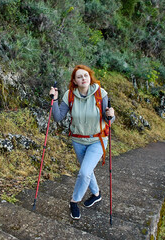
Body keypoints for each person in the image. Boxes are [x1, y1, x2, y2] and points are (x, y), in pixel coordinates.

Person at [49, 65, 115, 220]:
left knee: (84, 172)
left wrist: (111, 115)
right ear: (74, 81)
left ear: (90, 77)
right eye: (79, 77)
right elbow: (58, 118)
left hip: (97, 140)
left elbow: (108, 119)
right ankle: (97, 194)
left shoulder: (100, 93)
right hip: (78, 140)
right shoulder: (69, 95)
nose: (83, 78)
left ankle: (74, 201)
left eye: (86, 75)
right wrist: (55, 99)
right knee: (88, 170)